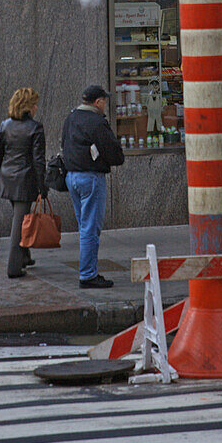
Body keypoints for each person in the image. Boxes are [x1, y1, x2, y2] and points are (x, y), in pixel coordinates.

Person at [61, 84, 123, 289]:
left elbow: (64, 144)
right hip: (90, 178)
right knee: (90, 229)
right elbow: (114, 153)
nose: (105, 105)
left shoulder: (71, 118)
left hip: (72, 177)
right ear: (98, 102)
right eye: (104, 101)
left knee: (84, 226)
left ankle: (88, 271)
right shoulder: (97, 122)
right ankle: (88, 275)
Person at [0, 86, 47, 278]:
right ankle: (14, 266)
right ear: (28, 106)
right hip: (24, 179)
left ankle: (25, 256)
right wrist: (42, 185)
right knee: (19, 222)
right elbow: (38, 160)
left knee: (20, 218)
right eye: (35, 104)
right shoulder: (35, 128)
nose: (37, 107)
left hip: (7, 177)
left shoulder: (5, 125)